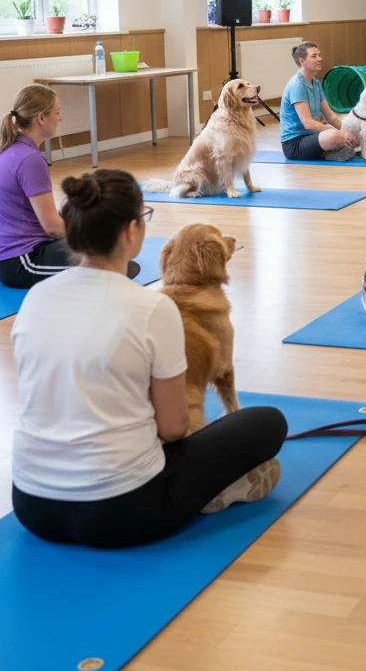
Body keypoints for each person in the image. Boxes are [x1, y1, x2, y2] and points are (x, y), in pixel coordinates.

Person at [11, 169, 288, 548]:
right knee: (268, 423)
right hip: (123, 510)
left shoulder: (34, 301)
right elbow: (173, 429)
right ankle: (215, 492)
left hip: (31, 505)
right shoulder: (152, 309)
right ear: (130, 231)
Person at [0, 83, 141, 287]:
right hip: (24, 261)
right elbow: (51, 226)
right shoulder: (30, 160)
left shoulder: (10, 148)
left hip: (15, 254)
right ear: (41, 117)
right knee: (120, 266)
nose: (60, 118)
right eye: (57, 112)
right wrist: (90, 238)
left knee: (110, 257)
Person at [279, 42, 360, 162]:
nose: (319, 59)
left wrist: (346, 131)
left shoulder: (316, 83)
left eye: (319, 55)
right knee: (335, 136)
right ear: (302, 61)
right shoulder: (297, 86)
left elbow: (331, 117)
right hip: (294, 144)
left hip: (312, 137)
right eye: (314, 56)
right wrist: (339, 133)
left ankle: (340, 148)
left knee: (352, 131)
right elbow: (308, 123)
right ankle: (334, 153)